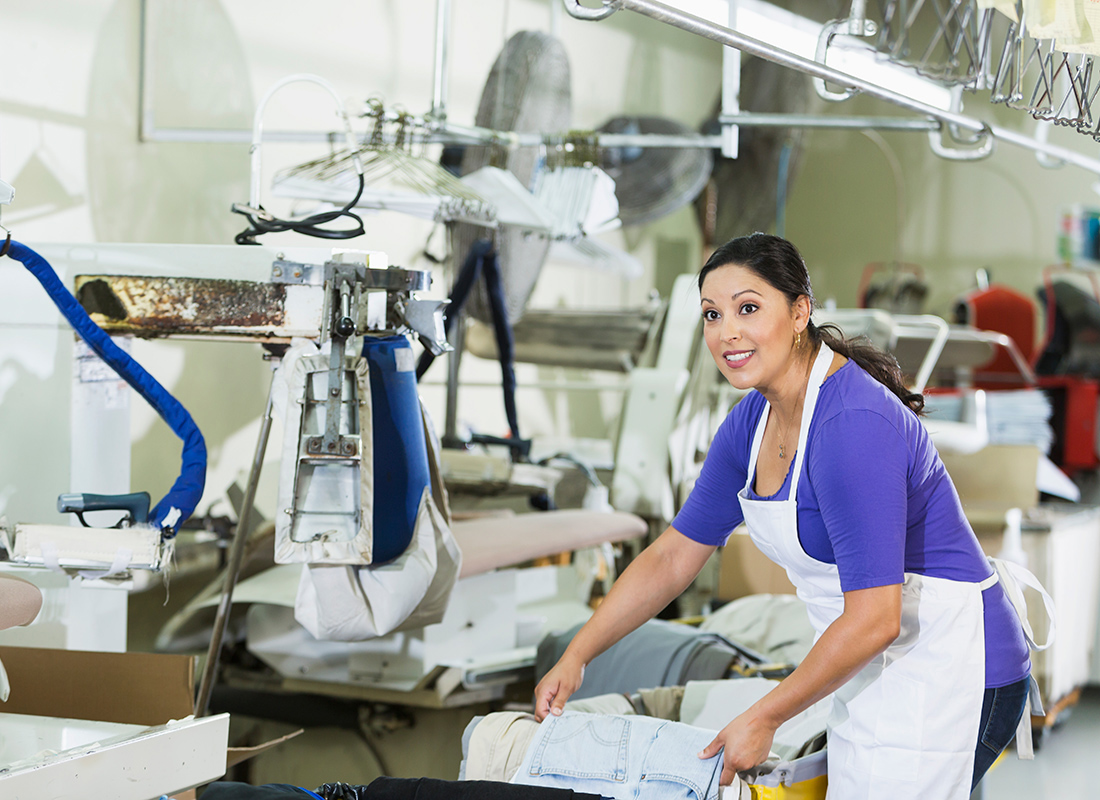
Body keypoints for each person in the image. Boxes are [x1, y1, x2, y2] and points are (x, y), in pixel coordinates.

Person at [534, 233, 1040, 800]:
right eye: (711, 314)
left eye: (748, 308)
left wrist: (764, 716)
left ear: (800, 312)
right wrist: (579, 654)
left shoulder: (852, 425)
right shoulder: (750, 423)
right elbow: (675, 555)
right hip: (874, 659)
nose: (727, 332)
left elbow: (877, 618)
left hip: (955, 665)